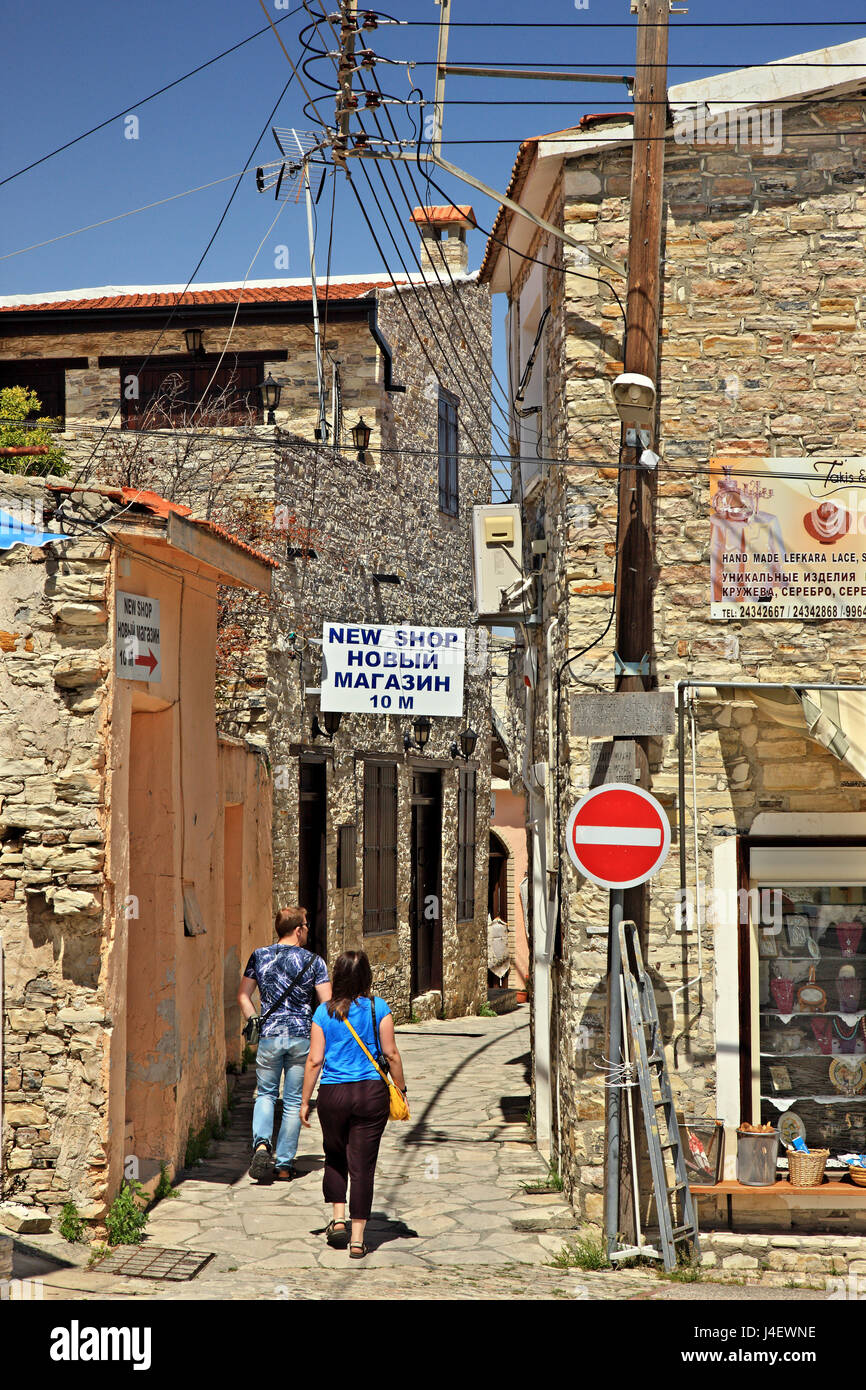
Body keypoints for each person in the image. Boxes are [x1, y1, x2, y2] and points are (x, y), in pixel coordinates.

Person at [300, 950, 406, 1258]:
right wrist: (401, 1089)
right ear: (367, 977)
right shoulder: (378, 1008)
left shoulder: (323, 1013)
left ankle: (337, 1219)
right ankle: (358, 1239)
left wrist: (305, 1101)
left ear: (338, 977)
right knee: (363, 1166)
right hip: (371, 1094)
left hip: (333, 1094)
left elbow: (315, 1059)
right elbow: (392, 1054)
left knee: (334, 1156)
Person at [238, 906, 331, 1182]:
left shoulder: (259, 956)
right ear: (298, 929)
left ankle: (262, 1145)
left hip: (269, 1035)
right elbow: (327, 1005)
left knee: (265, 1094)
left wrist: (254, 1020)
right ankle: (284, 1164)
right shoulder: (314, 962)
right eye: (305, 925)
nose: (307, 930)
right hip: (301, 1035)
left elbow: (243, 995)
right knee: (292, 1102)